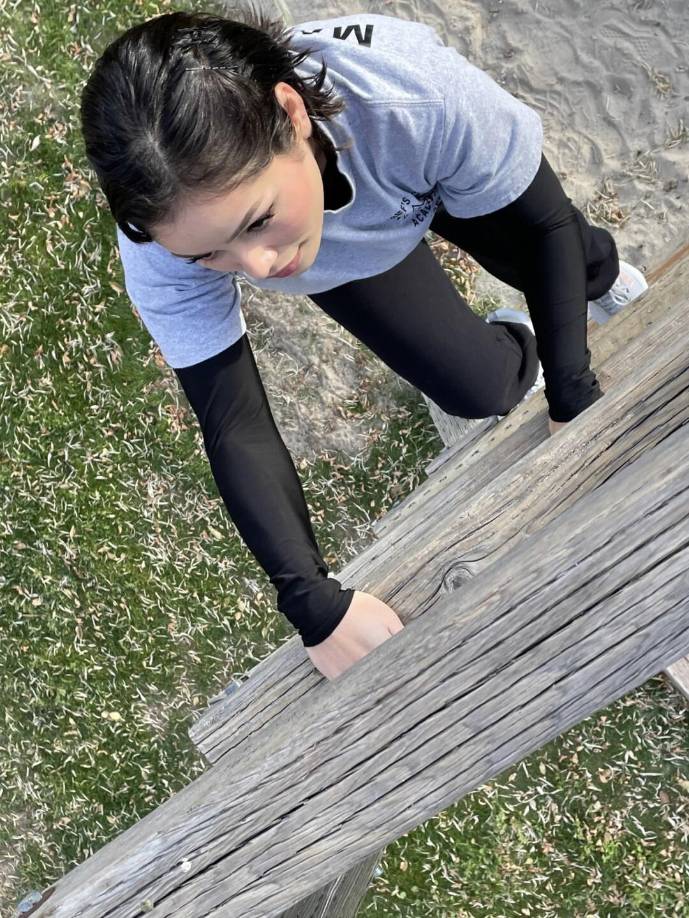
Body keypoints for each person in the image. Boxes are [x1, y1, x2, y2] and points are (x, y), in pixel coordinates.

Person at [80, 7, 647, 681]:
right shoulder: (161, 244)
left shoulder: (409, 89)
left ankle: (606, 281)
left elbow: (543, 222)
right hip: (346, 248)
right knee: (482, 391)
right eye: (210, 255)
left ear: (290, 111)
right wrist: (314, 605)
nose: (258, 267)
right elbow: (232, 420)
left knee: (570, 262)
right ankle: (514, 334)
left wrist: (574, 391)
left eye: (256, 220)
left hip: (412, 154)